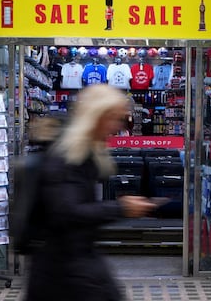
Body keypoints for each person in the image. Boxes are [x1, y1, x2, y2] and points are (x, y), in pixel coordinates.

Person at [24, 84, 157, 301]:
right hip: (62, 269)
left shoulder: (84, 151)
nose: (116, 127)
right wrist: (121, 208)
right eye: (113, 118)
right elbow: (66, 212)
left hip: (74, 263)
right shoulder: (66, 154)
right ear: (97, 116)